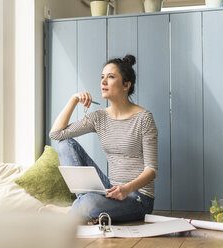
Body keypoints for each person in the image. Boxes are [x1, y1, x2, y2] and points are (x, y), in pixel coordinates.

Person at [48, 54, 158, 224]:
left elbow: (151, 170)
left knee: (90, 203)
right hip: (109, 189)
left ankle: (76, 210)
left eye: (111, 77)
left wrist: (127, 189)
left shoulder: (144, 118)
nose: (103, 82)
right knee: (65, 144)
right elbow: (56, 134)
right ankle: (85, 209)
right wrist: (74, 99)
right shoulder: (99, 117)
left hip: (137, 198)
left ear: (126, 85)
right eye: (102, 77)